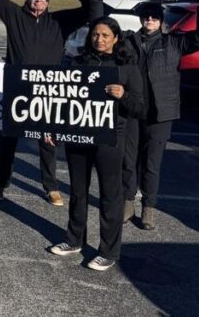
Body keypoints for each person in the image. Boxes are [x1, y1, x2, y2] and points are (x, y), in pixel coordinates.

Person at [0, 0, 100, 205]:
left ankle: (51, 186)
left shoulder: (59, 21)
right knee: (8, 140)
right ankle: (0, 183)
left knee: (48, 141)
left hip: (48, 90)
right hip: (17, 88)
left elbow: (91, 9)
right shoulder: (14, 15)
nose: (38, 0)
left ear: (48, 0)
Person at [49, 16, 145, 271]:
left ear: (115, 38)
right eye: (95, 35)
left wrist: (123, 95)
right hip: (79, 134)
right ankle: (74, 239)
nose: (99, 39)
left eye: (105, 35)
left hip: (110, 137)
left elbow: (140, 108)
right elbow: (62, 98)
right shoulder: (78, 62)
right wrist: (55, 128)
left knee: (109, 195)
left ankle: (108, 250)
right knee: (78, 191)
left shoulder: (127, 66)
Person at [117, 0, 199, 230]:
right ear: (141, 18)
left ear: (161, 20)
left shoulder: (174, 42)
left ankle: (148, 208)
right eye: (146, 16)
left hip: (160, 114)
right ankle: (128, 203)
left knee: (151, 164)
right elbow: (103, 31)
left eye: (154, 16)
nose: (149, 20)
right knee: (128, 161)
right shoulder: (128, 42)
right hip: (131, 110)